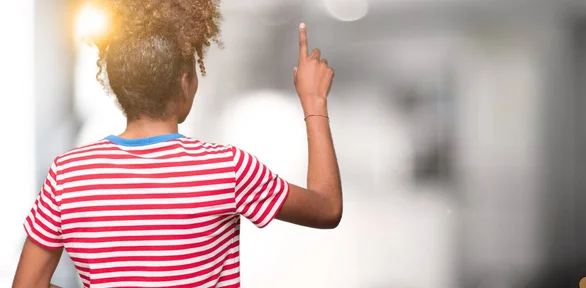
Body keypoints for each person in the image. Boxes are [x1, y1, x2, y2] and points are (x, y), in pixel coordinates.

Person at [11, 0, 342, 287]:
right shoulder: (226, 169)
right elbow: (327, 207)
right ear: (186, 80)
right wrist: (314, 102)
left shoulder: (68, 175)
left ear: (117, 84)